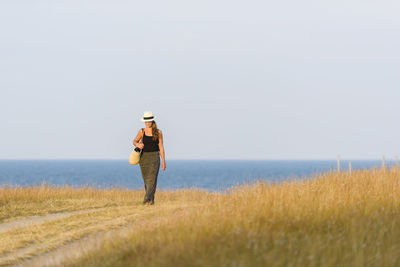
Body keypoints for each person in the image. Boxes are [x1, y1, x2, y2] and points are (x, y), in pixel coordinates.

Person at [133, 111, 166, 205]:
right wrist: (138, 144)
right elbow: (134, 141)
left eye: (149, 121)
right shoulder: (141, 131)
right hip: (143, 158)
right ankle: (151, 200)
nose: (147, 123)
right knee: (147, 180)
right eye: (146, 121)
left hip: (155, 157)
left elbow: (161, 147)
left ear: (152, 121)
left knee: (152, 179)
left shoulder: (158, 132)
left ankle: (146, 199)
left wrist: (163, 161)